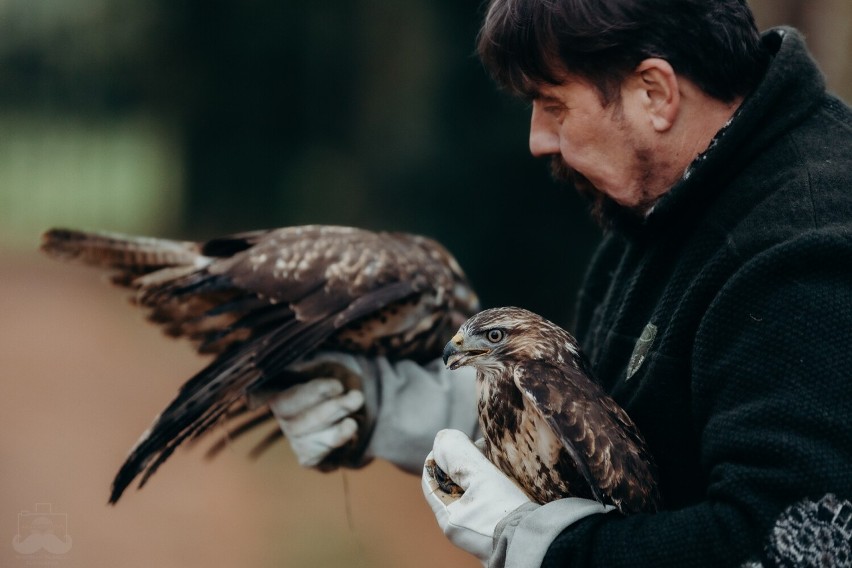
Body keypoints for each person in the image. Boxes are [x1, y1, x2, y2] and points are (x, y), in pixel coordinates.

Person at [268, 0, 852, 565]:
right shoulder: (673, 203)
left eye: (553, 103)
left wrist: (550, 549)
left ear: (655, 93)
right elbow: (605, 422)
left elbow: (786, 544)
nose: (537, 139)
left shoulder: (807, 254)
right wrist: (401, 409)